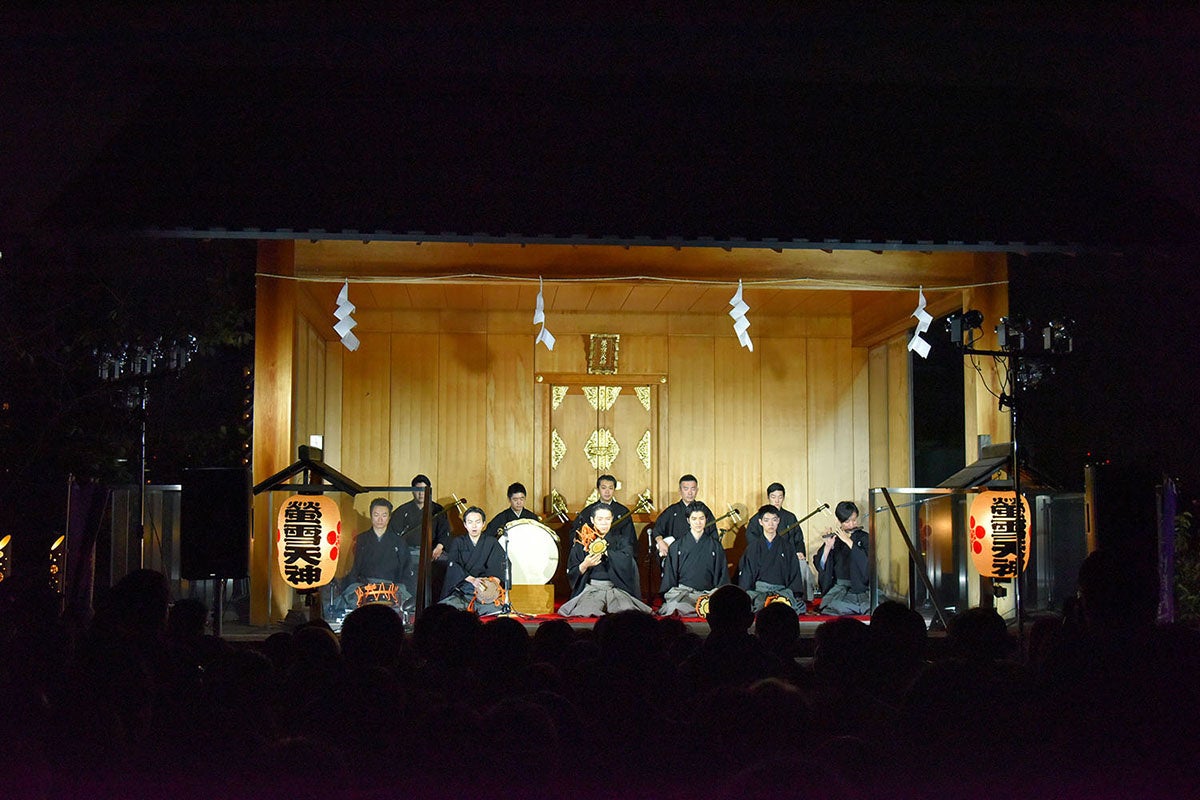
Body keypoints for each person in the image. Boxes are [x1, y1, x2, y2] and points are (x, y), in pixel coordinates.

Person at [558, 506, 651, 616]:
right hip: (592, 589)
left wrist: (607, 553)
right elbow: (571, 571)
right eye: (600, 519)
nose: (604, 523)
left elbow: (628, 561)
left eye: (607, 519)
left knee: (626, 613)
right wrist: (585, 565)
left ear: (612, 519)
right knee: (586, 612)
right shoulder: (582, 542)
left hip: (616, 589)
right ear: (592, 520)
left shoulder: (621, 541)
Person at [332, 498, 411, 617]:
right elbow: (352, 568)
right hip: (364, 587)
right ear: (371, 516)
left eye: (384, 515)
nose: (380, 519)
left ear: (389, 517)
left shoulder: (399, 542)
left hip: (391, 588)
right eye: (376, 515)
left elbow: (406, 569)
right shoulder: (360, 540)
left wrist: (398, 587)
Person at [658, 506, 730, 616]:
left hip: (708, 594)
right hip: (684, 594)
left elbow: (722, 574)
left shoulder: (715, 546)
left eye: (701, 518)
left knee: (721, 607)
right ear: (688, 520)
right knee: (676, 606)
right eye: (694, 519)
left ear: (706, 519)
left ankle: (703, 609)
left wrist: (716, 592)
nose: (698, 522)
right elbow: (670, 576)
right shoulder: (677, 546)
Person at [737, 505, 807, 614]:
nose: (771, 524)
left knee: (795, 604)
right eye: (766, 520)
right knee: (754, 602)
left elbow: (794, 573)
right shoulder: (753, 547)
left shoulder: (787, 547)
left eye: (774, 520)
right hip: (760, 591)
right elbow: (747, 573)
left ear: (778, 521)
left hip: (782, 591)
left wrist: (795, 594)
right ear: (760, 522)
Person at [439, 506, 506, 614]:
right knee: (446, 608)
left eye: (477, 522)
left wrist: (492, 582)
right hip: (464, 589)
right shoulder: (458, 542)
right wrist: (472, 580)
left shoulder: (491, 542)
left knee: (497, 610)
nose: (474, 526)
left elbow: (501, 564)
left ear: (483, 523)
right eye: (470, 522)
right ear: (465, 525)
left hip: (485, 590)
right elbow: (453, 565)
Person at [812, 500, 870, 615]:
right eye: (847, 522)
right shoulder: (835, 539)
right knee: (831, 607)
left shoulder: (864, 537)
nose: (852, 524)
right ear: (839, 521)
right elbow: (821, 564)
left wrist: (848, 541)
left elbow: (867, 563)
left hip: (861, 587)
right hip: (840, 587)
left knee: (870, 606)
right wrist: (828, 547)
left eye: (854, 520)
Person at [387, 474, 452, 558]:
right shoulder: (402, 510)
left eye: (424, 490)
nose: (421, 493)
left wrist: (439, 547)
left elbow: (444, 532)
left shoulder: (438, 510)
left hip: (432, 551)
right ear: (412, 491)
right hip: (408, 551)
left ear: (429, 491)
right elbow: (393, 533)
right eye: (418, 489)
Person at [652, 474, 714, 558]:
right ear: (680, 491)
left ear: (697, 490)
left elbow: (713, 534)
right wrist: (660, 542)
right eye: (686, 489)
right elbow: (657, 530)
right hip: (676, 555)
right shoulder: (671, 511)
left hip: (700, 555)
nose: (690, 492)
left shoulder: (704, 510)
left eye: (693, 489)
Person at [572, 474, 637, 550]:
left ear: (614, 490)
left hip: (617, 551)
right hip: (592, 552)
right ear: (598, 489)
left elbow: (629, 537)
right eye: (603, 488)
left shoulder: (623, 511)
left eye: (610, 488)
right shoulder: (588, 511)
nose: (607, 491)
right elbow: (576, 532)